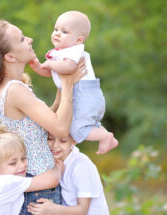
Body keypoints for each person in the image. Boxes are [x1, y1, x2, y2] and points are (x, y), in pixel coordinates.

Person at [0, 20, 86, 215]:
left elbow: (47, 122)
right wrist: (68, 85)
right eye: (22, 39)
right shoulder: (14, 90)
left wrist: (62, 85)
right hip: (40, 188)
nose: (29, 39)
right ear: (10, 56)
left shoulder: (12, 87)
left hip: (40, 185)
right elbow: (60, 129)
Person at [29, 11, 118, 155]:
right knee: (88, 124)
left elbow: (69, 68)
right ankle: (107, 136)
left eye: (64, 31)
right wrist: (38, 67)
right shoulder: (61, 52)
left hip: (84, 95)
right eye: (56, 29)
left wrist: (49, 64)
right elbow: (53, 72)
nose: (57, 33)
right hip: (86, 96)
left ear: (78, 39)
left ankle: (105, 137)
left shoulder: (74, 50)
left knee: (76, 129)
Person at [0, 125, 63, 215]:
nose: (21, 165)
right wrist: (58, 166)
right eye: (13, 163)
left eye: (23, 158)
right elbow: (52, 180)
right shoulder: (5, 183)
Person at [27, 133, 109, 215]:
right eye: (50, 139)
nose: (55, 145)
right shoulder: (53, 161)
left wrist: (52, 209)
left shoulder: (81, 165)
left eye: (63, 141)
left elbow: (83, 210)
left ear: (74, 141)